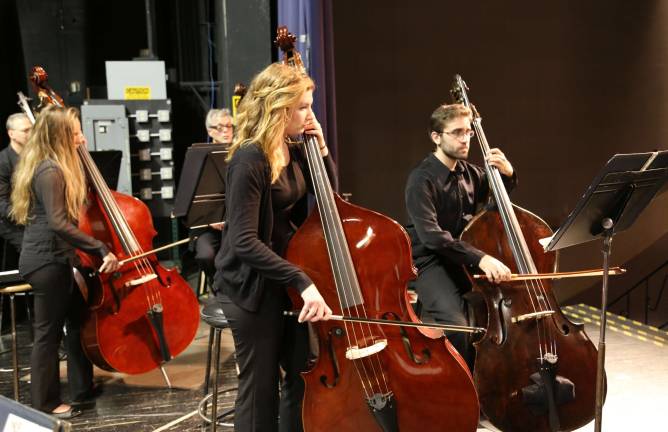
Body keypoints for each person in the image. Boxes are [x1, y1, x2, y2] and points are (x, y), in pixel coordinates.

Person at [213, 62, 336, 432]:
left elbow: (328, 196)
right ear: (278, 108)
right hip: (250, 287)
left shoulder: (294, 147)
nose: (310, 114)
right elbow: (244, 242)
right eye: (303, 107)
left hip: (282, 281)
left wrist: (323, 151)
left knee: (301, 375)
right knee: (259, 389)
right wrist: (301, 279)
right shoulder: (251, 158)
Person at [11, 105, 120, 418]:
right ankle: (44, 404)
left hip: (57, 258)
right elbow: (58, 223)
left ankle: (81, 386)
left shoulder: (54, 166)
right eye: (74, 132)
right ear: (60, 135)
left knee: (77, 320)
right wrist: (100, 247)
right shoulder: (50, 171)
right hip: (47, 262)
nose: (81, 137)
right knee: (47, 334)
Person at [404, 103, 516, 368]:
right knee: (459, 327)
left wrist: (508, 175)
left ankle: (488, 383)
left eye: (468, 132)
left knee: (494, 317)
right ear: (436, 137)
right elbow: (431, 237)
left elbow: (495, 206)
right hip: (429, 262)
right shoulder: (421, 180)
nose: (465, 139)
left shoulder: (470, 173)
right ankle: (462, 391)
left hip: (460, 257)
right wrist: (481, 259)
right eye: (457, 132)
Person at [192, 108, 235, 281]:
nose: (225, 131)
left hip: (236, 226)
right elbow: (191, 202)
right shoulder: (198, 160)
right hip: (207, 227)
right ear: (210, 131)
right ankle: (218, 289)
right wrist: (210, 220)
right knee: (206, 255)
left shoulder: (241, 155)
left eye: (229, 126)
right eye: (220, 127)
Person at [0, 113, 31, 251]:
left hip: (37, 218)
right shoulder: (3, 161)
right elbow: (1, 202)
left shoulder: (36, 157)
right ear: (11, 134)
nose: (31, 134)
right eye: (26, 130)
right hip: (13, 222)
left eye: (32, 129)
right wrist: (26, 218)